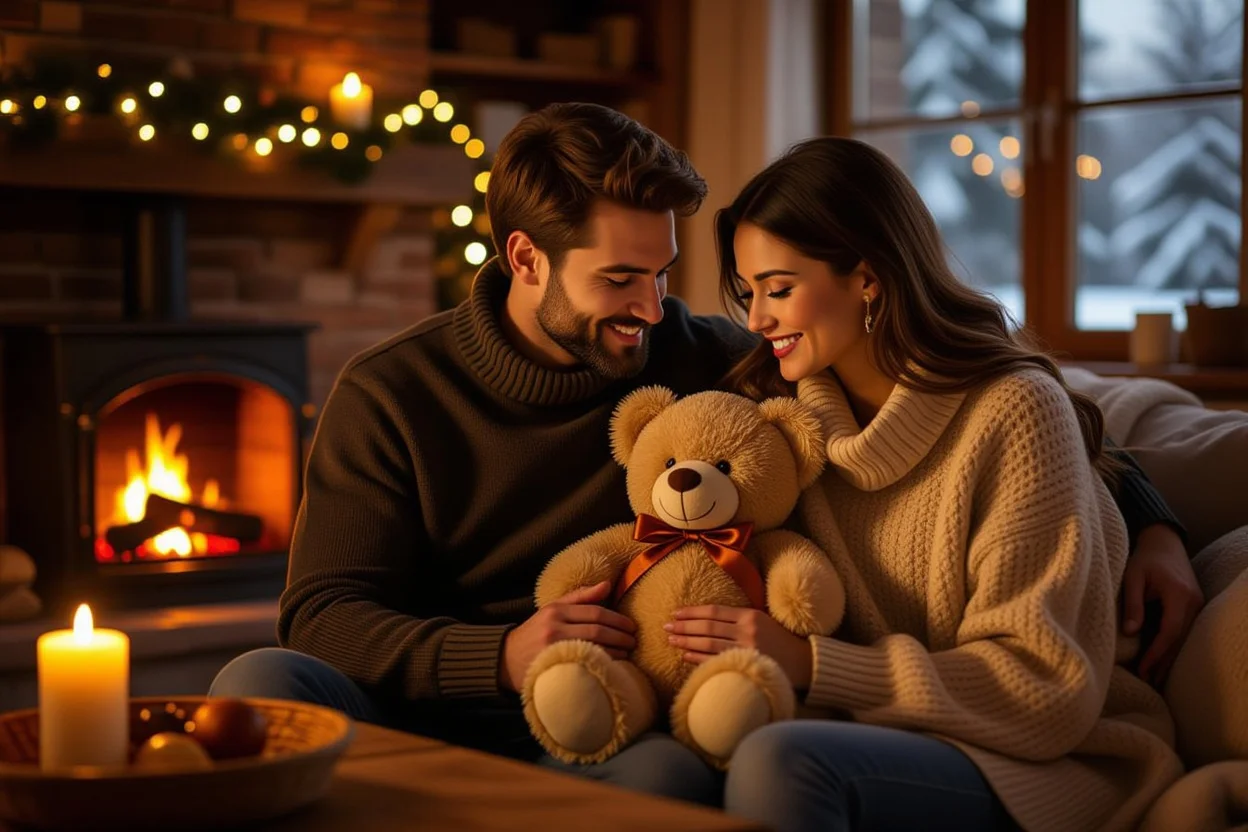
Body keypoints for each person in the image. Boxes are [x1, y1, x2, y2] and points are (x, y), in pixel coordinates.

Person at [211, 103, 1194, 809]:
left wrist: (1150, 519)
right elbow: (322, 617)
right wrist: (499, 656)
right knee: (259, 684)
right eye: (620, 278)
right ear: (524, 259)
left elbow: (996, 400)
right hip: (438, 698)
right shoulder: (391, 390)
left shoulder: (718, 361)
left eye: (665, 273)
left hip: (623, 716)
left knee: (673, 780)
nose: (651, 307)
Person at [669, 136, 1187, 831]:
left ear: (869, 278)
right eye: (749, 291)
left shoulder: (1015, 412)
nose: (756, 319)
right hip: (874, 732)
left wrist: (815, 665)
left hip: (1042, 763)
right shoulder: (782, 423)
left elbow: (1043, 688)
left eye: (779, 289)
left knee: (780, 763)